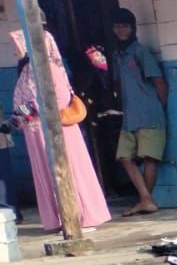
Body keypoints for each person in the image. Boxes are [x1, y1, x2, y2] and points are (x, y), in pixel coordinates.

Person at [7, 30, 111, 233]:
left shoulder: (51, 68)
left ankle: (83, 217)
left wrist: (29, 108)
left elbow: (60, 99)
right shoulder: (28, 69)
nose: (14, 49)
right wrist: (17, 117)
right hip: (35, 132)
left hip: (56, 131)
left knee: (67, 171)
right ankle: (59, 219)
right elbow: (24, 100)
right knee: (46, 173)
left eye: (17, 44)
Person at [110, 8, 166, 216]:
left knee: (150, 158)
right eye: (117, 26)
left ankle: (145, 200)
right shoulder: (117, 55)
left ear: (133, 28)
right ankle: (146, 199)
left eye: (125, 26)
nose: (121, 30)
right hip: (129, 116)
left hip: (150, 114)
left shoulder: (141, 52)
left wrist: (158, 107)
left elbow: (159, 82)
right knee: (124, 157)